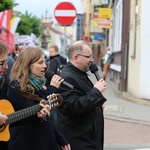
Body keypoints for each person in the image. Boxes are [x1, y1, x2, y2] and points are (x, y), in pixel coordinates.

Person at [7, 46, 71, 150]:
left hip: (43, 140)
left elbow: (46, 118)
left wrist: (60, 139)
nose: (45, 66)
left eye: (44, 62)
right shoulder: (17, 86)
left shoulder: (37, 86)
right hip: (27, 143)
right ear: (28, 65)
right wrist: (53, 88)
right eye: (40, 63)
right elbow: (36, 109)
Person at [56, 40, 107, 150]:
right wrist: (96, 92)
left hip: (89, 140)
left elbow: (84, 97)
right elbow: (75, 106)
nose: (92, 60)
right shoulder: (67, 78)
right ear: (76, 58)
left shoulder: (79, 74)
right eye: (88, 57)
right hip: (80, 141)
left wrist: (97, 105)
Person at [0, 40, 9, 150]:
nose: (6, 67)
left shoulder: (2, 83)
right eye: (2, 63)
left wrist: (37, 115)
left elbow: (8, 118)